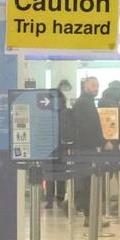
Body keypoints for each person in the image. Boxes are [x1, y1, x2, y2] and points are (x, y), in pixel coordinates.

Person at [71, 75, 104, 219]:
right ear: (85, 87)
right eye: (92, 85)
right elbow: (90, 126)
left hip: (83, 147)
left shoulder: (85, 102)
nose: (95, 88)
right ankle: (88, 215)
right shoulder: (85, 103)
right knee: (87, 182)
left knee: (85, 181)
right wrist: (101, 142)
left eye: (97, 85)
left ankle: (85, 211)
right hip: (85, 148)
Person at [44, 79, 74, 209]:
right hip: (62, 145)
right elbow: (68, 130)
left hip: (48, 146)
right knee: (61, 173)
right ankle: (60, 199)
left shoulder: (45, 113)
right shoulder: (65, 112)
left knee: (49, 172)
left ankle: (49, 200)